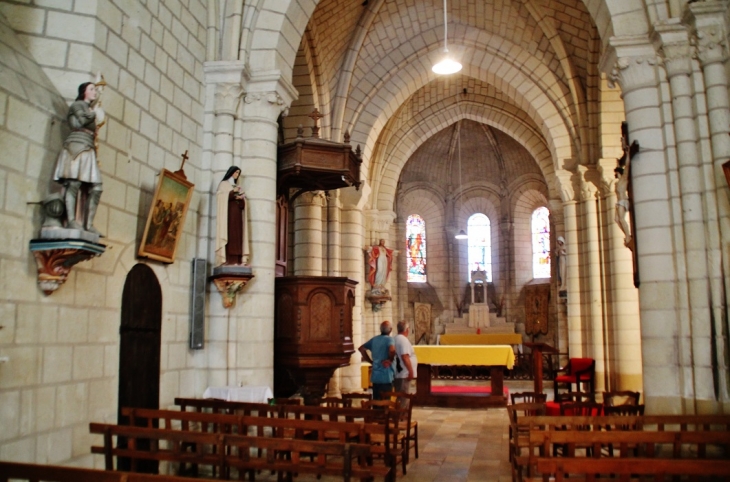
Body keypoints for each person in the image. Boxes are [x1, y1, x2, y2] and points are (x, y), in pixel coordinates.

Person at [53, 82, 104, 235]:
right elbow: (81, 121)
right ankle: (71, 221)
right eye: (92, 89)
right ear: (84, 92)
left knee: (97, 187)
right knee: (73, 184)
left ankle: (88, 225)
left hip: (88, 149)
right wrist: (95, 113)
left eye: (95, 89)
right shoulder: (77, 105)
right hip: (75, 146)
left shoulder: (88, 108)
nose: (95, 92)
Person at [215, 166, 250, 266]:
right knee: (231, 236)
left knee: (238, 237)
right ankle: (229, 260)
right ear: (231, 172)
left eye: (238, 173)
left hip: (238, 216)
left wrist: (241, 199)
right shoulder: (224, 184)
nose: (236, 175)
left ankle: (238, 260)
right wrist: (232, 193)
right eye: (235, 172)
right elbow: (220, 196)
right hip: (229, 216)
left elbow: (244, 203)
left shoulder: (237, 186)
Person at [358, 321, 396, 401]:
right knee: (385, 402)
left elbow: (361, 349)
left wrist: (370, 361)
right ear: (390, 330)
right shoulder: (389, 339)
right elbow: (392, 350)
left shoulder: (374, 339)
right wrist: (390, 360)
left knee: (376, 400)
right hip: (386, 376)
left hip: (375, 376)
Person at [393, 320, 417, 408]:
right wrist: (411, 371)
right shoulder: (403, 340)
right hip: (403, 374)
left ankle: (402, 417)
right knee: (403, 398)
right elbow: (405, 357)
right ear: (407, 329)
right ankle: (400, 418)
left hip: (400, 373)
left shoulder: (396, 338)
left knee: (402, 397)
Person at [614, 166, 632, 247]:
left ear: (619, 173)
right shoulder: (618, 182)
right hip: (619, 202)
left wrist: (628, 155)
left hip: (623, 201)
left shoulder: (624, 179)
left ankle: (628, 236)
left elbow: (627, 169)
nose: (616, 175)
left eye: (616, 173)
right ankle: (626, 234)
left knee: (621, 219)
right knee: (616, 219)